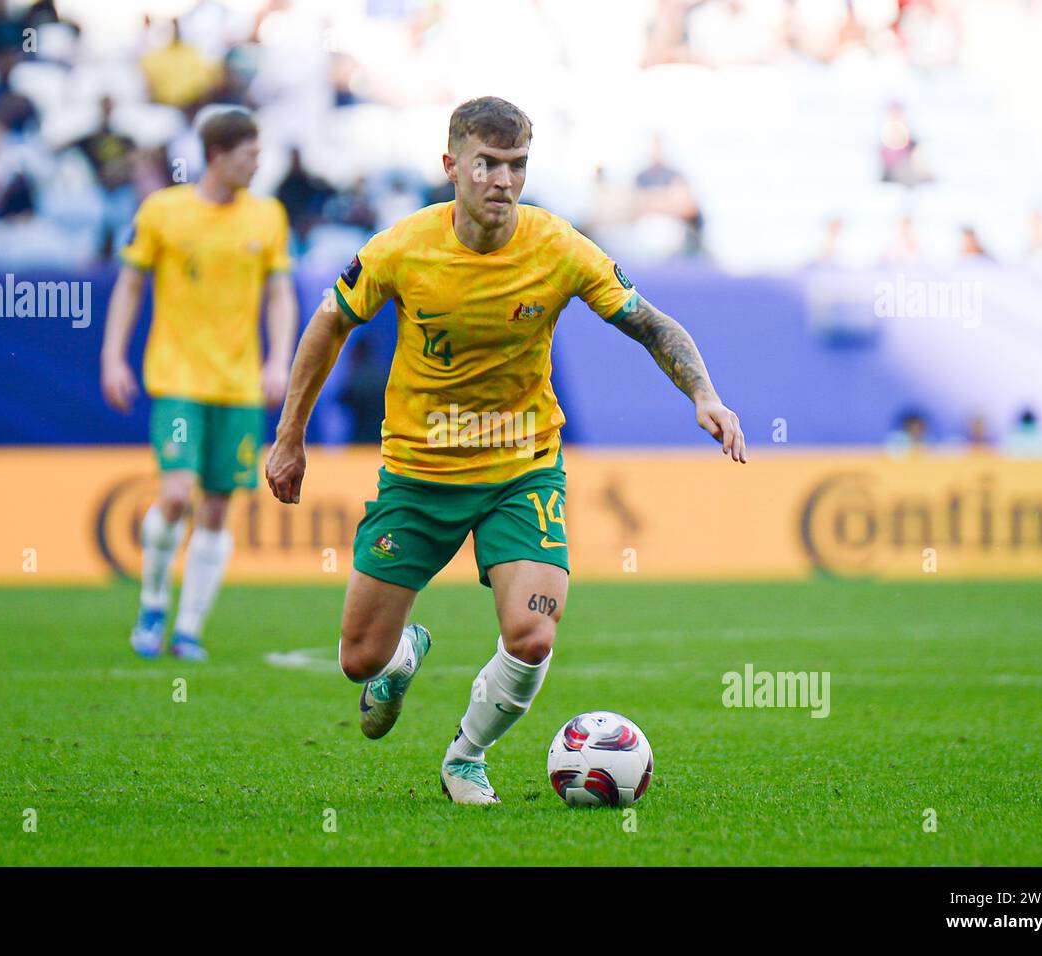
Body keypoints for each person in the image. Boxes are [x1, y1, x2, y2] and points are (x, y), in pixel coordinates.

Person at [264, 97, 745, 804]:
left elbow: (648, 323)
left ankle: (466, 756)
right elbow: (331, 321)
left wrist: (704, 394)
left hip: (522, 471)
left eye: (516, 166)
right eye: (486, 164)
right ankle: (400, 658)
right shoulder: (402, 247)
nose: (501, 180)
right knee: (358, 658)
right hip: (419, 473)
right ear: (451, 165)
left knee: (532, 633)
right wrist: (289, 437)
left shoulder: (558, 246)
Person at [100, 109, 298, 661]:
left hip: (238, 386)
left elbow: (280, 293)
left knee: (216, 509)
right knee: (175, 495)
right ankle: (154, 601)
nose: (257, 166)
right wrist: (114, 356)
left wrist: (279, 359)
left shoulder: (268, 217)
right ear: (216, 156)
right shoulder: (163, 211)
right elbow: (129, 285)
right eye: (248, 157)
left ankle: (188, 628)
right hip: (178, 378)